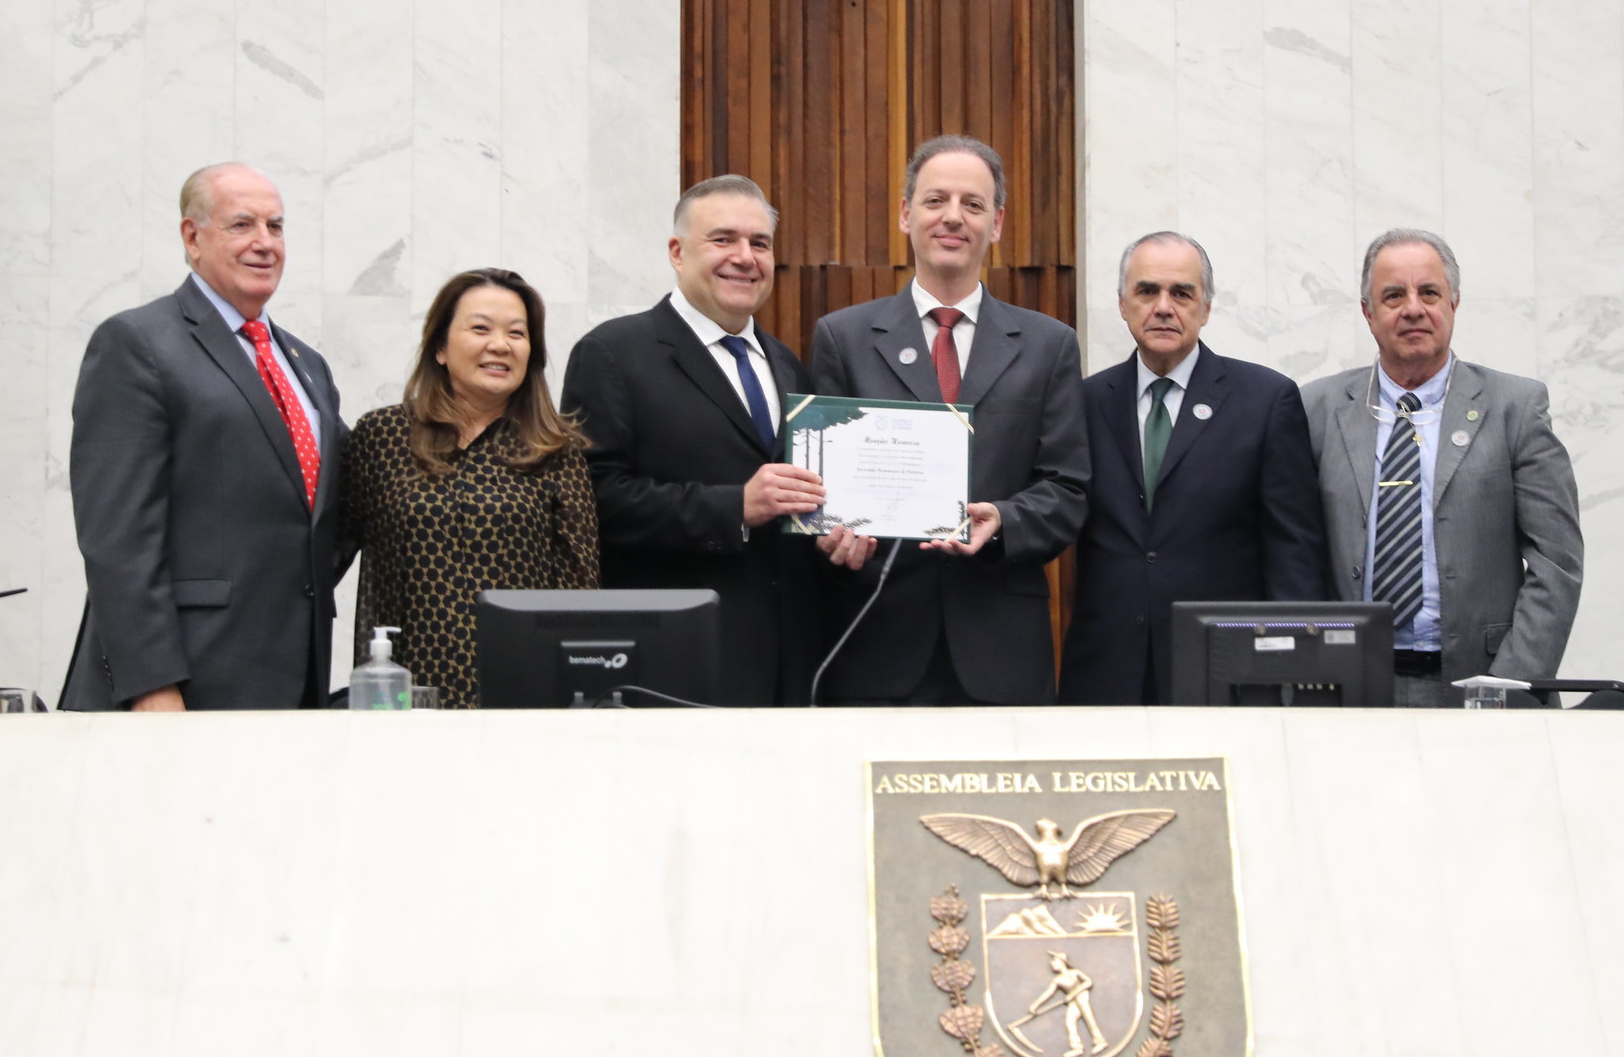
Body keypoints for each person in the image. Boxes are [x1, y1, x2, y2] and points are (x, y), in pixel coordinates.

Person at [809, 135, 1089, 706]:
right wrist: (828, 533)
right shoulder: (843, 338)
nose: (953, 218)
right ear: (907, 215)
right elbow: (819, 486)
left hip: (1000, 646)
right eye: (936, 201)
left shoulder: (1048, 345)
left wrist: (1005, 520)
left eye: (973, 204)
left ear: (998, 223)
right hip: (875, 638)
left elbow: (1068, 489)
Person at [61, 163, 344, 711]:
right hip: (182, 687)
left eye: (276, 227)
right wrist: (151, 685)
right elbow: (117, 539)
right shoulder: (137, 343)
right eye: (242, 225)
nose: (265, 243)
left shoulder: (306, 366)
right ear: (193, 237)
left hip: (290, 685)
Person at [559, 175, 824, 707]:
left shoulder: (790, 366)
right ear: (678, 253)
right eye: (723, 239)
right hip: (675, 661)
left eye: (760, 243)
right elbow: (592, 502)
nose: (745, 257)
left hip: (790, 669)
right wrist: (734, 508)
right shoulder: (613, 353)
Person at [1300, 228, 1584, 705]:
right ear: (1368, 313)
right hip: (1348, 689)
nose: (1413, 308)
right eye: (1393, 295)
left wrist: (1508, 685)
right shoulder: (1316, 409)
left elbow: (1556, 562)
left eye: (1428, 292)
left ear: (1454, 303)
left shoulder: (1515, 407)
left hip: (1484, 685)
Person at [1059, 232, 1327, 705]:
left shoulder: (1265, 401)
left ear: (1206, 308)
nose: (1164, 307)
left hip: (1226, 672)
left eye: (1182, 293)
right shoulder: (1084, 402)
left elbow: (1293, 550)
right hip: (1106, 675)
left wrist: (1295, 671)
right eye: (1147, 291)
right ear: (1123, 305)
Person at [340, 269, 598, 708]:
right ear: (440, 346)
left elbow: (580, 587)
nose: (500, 345)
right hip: (404, 694)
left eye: (517, 333)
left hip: (522, 696)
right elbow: (329, 551)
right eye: (480, 328)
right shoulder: (381, 436)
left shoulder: (556, 449)